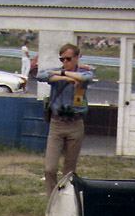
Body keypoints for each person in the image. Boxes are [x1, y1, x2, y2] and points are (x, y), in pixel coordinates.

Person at [36, 43, 94, 197]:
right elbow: (40, 75)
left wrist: (65, 74)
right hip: (57, 123)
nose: (65, 62)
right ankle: (52, 199)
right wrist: (64, 76)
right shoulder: (57, 73)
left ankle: (66, 199)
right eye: (62, 59)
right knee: (50, 168)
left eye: (68, 59)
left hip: (75, 123)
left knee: (69, 170)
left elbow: (86, 78)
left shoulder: (84, 72)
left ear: (77, 58)